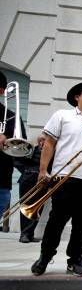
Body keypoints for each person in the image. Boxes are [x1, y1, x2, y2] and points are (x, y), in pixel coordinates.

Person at [30, 81, 82, 276]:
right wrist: (43, 171)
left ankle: (75, 261)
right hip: (64, 179)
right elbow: (49, 144)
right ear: (77, 97)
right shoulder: (62, 116)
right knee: (56, 222)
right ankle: (45, 257)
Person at [0, 70, 27, 219]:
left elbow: (21, 150)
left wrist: (7, 140)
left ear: (2, 91)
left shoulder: (11, 116)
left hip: (1, 180)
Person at [14, 134, 46, 242]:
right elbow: (17, 160)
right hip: (27, 180)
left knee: (38, 208)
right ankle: (24, 234)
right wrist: (27, 171)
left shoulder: (51, 153)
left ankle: (30, 233)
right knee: (25, 206)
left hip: (42, 182)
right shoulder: (30, 149)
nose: (42, 143)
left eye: (45, 141)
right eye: (41, 141)